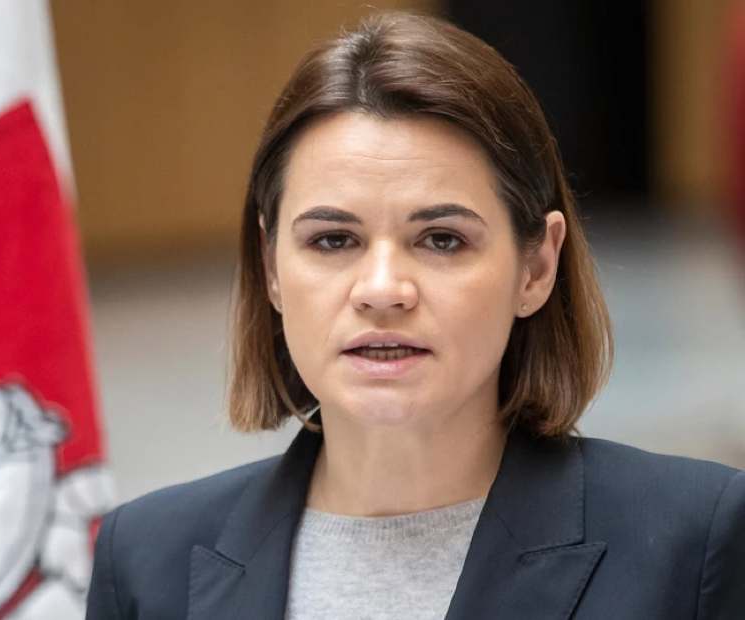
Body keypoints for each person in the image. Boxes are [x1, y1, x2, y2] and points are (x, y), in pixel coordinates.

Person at [86, 12, 745, 620]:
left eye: (441, 240)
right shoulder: (146, 560)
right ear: (270, 268)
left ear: (537, 268)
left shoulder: (695, 543)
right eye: (332, 240)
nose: (383, 290)